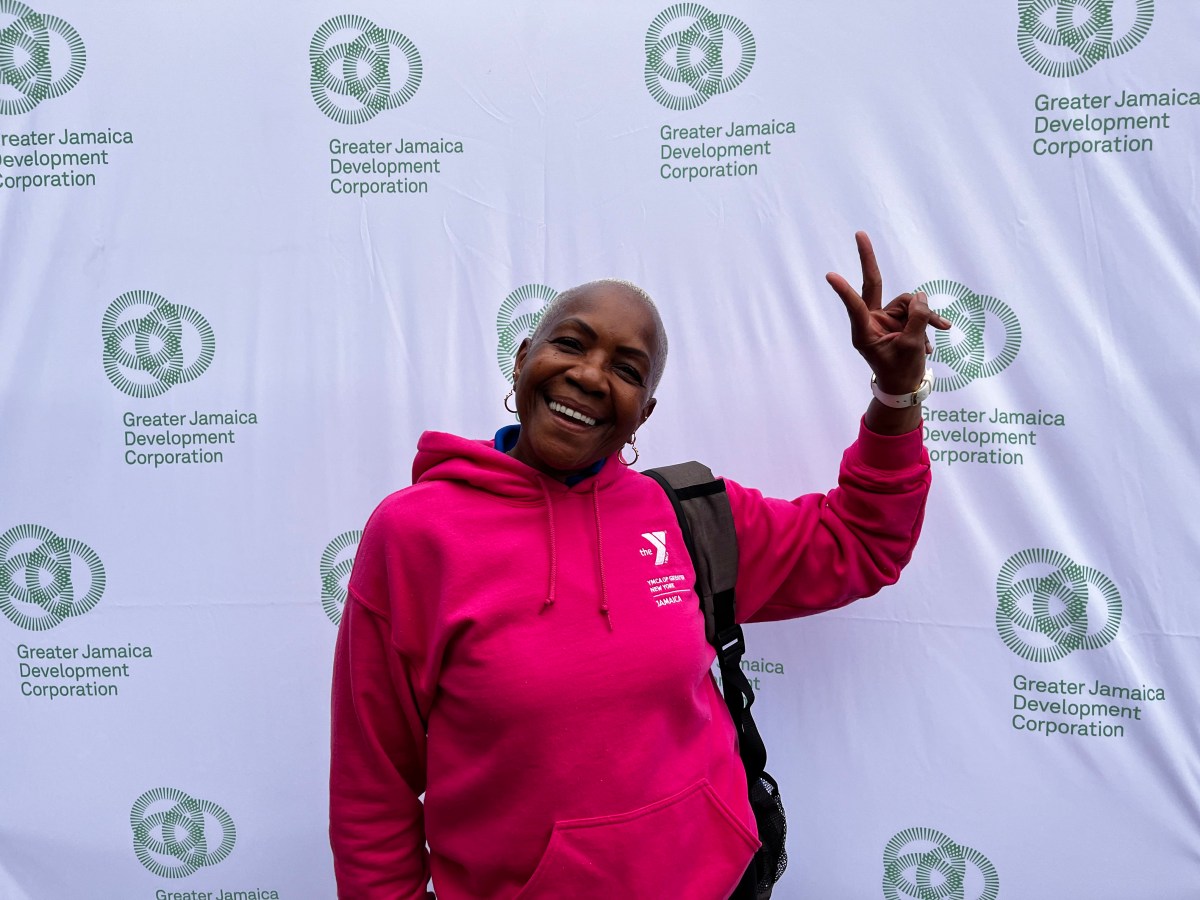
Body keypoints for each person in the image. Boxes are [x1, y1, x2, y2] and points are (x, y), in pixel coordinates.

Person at [329, 232, 950, 899]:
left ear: (643, 413)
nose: (592, 376)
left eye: (628, 369)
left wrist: (896, 395)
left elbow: (858, 544)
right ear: (521, 361)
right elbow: (374, 789)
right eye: (570, 343)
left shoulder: (683, 514)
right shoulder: (416, 535)